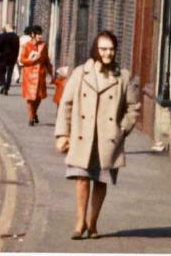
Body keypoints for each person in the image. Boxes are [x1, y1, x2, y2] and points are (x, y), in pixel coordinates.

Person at [55, 30, 140, 240]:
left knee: (100, 182)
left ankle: (93, 222)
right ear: (96, 49)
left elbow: (133, 108)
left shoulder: (123, 77)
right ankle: (79, 221)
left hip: (107, 139)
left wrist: (122, 130)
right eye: (103, 49)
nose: (108, 53)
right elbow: (66, 104)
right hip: (83, 136)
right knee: (81, 179)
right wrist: (62, 134)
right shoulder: (80, 73)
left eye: (111, 49)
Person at [19, 26, 54, 126]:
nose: (40, 36)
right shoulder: (26, 46)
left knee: (38, 98)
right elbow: (22, 60)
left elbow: (47, 61)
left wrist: (51, 74)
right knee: (30, 98)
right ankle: (31, 117)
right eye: (39, 34)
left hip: (40, 75)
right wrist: (32, 60)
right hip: (29, 75)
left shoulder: (44, 46)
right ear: (33, 35)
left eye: (41, 34)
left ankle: (34, 113)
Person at [0, 26, 21, 95]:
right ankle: (6, 88)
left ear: (7, 29)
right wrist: (16, 57)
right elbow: (17, 48)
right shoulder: (16, 37)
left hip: (4, 57)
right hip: (12, 57)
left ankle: (3, 85)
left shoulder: (3, 35)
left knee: (2, 71)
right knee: (9, 73)